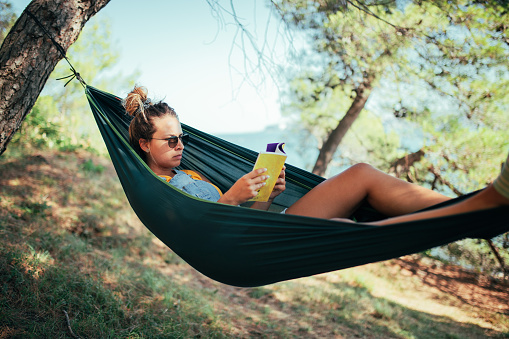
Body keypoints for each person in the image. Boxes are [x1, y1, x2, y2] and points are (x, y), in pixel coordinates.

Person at [123, 86, 509, 226]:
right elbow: (203, 231)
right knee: (358, 198)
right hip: (266, 242)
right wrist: (231, 197)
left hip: (270, 229)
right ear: (144, 144)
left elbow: (244, 223)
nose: (180, 145)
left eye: (182, 137)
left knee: (361, 177)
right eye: (169, 140)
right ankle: (476, 209)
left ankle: (471, 209)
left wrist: (265, 196)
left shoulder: (192, 172)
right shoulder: (154, 189)